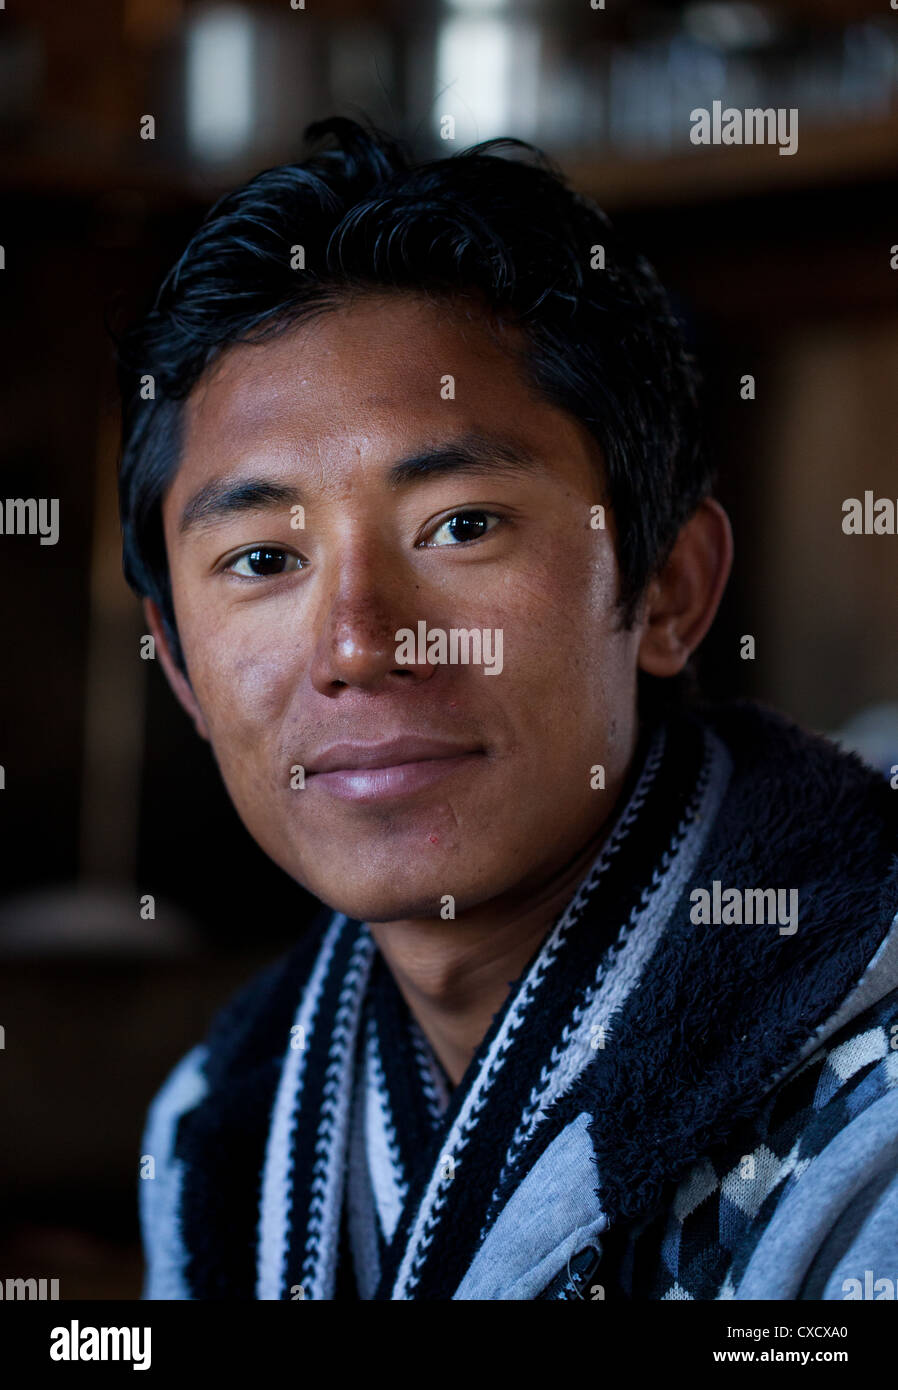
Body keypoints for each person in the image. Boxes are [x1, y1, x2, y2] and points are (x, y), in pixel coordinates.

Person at [122, 117, 898, 1301]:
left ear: (666, 589)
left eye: (463, 526)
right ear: (177, 662)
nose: (359, 647)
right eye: (264, 558)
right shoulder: (215, 1131)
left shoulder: (864, 1129)